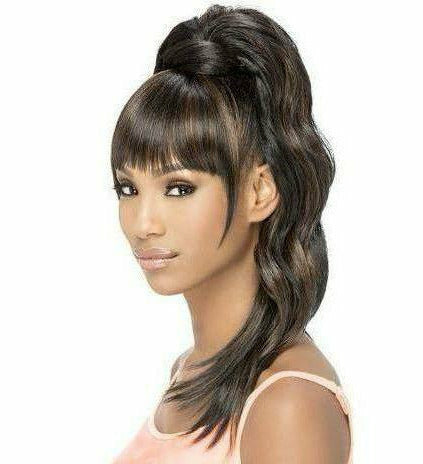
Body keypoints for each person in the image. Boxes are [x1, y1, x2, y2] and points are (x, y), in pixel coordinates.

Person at [110, 4, 353, 463]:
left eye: (179, 188)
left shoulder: (287, 404)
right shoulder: (190, 371)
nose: (142, 224)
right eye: (128, 188)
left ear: (260, 191)